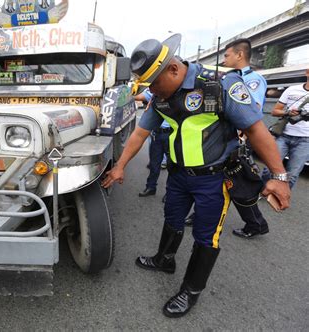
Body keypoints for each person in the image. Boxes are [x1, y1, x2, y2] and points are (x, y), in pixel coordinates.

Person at [102, 34, 291, 318]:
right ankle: (164, 259)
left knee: (206, 235)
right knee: (172, 218)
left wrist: (279, 175)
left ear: (174, 70)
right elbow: (140, 133)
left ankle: (190, 291)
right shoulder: (161, 97)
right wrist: (120, 166)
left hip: (214, 179)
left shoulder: (219, 85)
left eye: (153, 83)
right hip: (178, 176)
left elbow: (256, 129)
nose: (152, 91)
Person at [186, 38, 270, 239]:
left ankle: (256, 223)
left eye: (227, 55)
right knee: (211, 179)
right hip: (223, 137)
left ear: (240, 55)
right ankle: (200, 213)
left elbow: (251, 112)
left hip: (238, 139)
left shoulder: (252, 80)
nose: (224, 59)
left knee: (238, 185)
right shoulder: (227, 77)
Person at [262, 69, 309, 189]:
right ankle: (261, 191)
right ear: (307, 73)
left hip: (305, 140)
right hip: (283, 135)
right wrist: (288, 112)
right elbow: (274, 111)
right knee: (269, 169)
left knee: (292, 175)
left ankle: (280, 198)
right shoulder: (292, 90)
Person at [135, 88, 171, 197]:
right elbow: (138, 97)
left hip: (171, 134)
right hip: (157, 134)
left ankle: (169, 193)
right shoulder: (155, 92)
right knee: (154, 164)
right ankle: (151, 187)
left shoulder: (177, 93)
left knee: (172, 166)